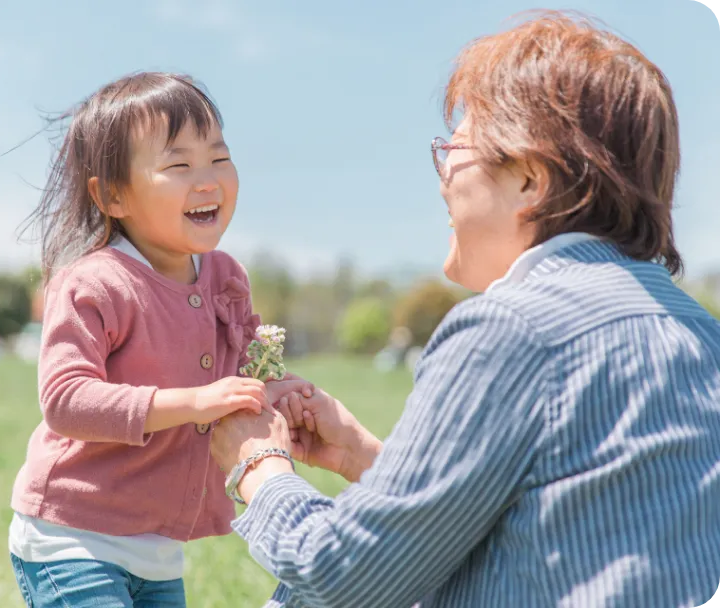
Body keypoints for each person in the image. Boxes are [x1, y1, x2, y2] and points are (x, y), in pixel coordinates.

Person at [209, 11, 720, 607]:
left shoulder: (515, 328)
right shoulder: (699, 332)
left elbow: (345, 580)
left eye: (455, 146)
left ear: (530, 178)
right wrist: (364, 457)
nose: (444, 172)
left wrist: (258, 463)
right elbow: (566, 530)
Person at [8, 72, 309, 607]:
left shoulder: (225, 277)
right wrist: (195, 400)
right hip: (73, 535)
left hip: (158, 546)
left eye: (219, 157)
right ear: (114, 195)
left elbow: (245, 372)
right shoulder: (95, 281)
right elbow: (65, 401)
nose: (207, 179)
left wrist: (282, 394)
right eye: (178, 165)